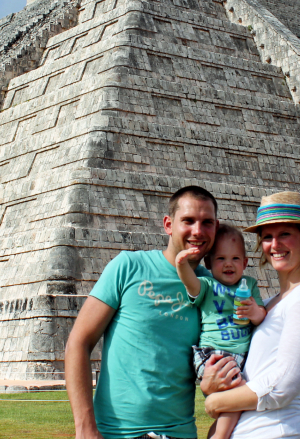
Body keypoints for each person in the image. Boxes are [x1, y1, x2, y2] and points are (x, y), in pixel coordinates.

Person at [65, 185, 220, 439]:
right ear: (169, 224)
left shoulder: (214, 289)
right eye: (188, 221)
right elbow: (78, 343)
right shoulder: (128, 267)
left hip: (179, 434)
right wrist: (85, 430)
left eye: (207, 222)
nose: (198, 231)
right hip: (117, 433)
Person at [201, 191, 300, 439]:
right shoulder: (271, 303)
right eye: (267, 237)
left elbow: (281, 387)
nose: (275, 245)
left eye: (285, 234)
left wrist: (214, 403)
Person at [175, 224, 266, 439]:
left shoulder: (250, 285)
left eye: (235, 259)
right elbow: (190, 284)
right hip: (213, 354)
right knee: (240, 396)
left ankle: (215, 435)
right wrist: (182, 265)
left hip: (239, 357)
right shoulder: (207, 284)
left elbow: (261, 315)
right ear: (208, 263)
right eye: (220, 259)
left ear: (245, 263)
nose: (228, 264)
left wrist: (254, 312)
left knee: (232, 407)